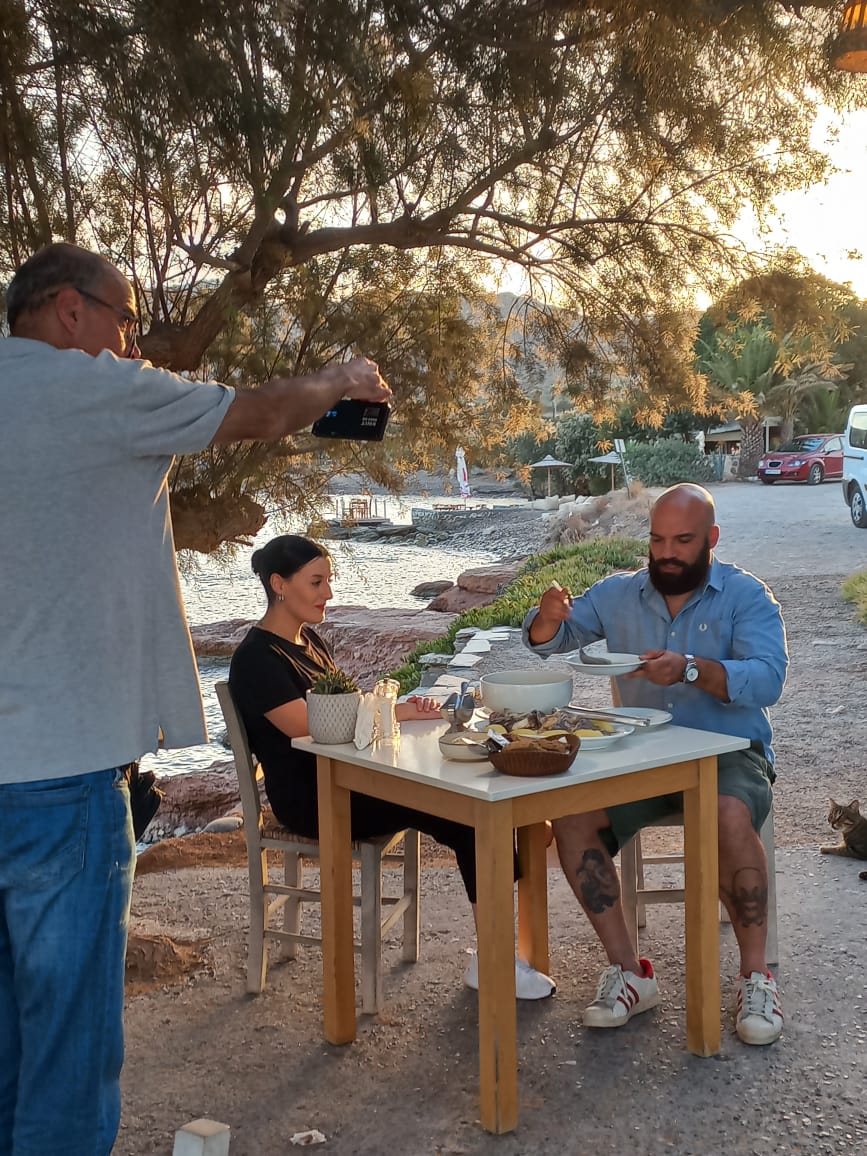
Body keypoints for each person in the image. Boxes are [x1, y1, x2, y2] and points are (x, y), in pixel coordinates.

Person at [0, 241, 393, 1156]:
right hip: (58, 775)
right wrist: (342, 375)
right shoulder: (91, 387)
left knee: (12, 1047)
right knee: (65, 1051)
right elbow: (259, 413)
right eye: (123, 319)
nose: (131, 342)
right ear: (68, 311)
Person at [227, 533, 556, 1001]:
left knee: (475, 803)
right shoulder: (256, 659)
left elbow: (346, 715)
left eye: (328, 581)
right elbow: (314, 726)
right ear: (279, 584)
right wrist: (393, 710)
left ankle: (500, 948)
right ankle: (495, 961)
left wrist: (396, 709)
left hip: (349, 776)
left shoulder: (309, 640)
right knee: (469, 819)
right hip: (315, 796)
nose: (329, 594)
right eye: (317, 582)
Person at [522, 483, 788, 1046]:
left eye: (682, 541)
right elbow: (552, 640)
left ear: (711, 539)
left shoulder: (746, 596)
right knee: (570, 815)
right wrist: (546, 617)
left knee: (727, 814)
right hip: (640, 757)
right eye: (658, 539)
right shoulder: (617, 594)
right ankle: (630, 972)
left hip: (727, 752)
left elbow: (768, 681)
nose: (666, 552)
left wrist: (693, 669)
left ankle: (754, 977)